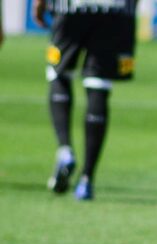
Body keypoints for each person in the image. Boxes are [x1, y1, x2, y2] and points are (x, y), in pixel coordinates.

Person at [33, 0, 138, 201]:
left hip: (72, 7)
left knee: (59, 73)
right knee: (99, 84)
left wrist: (40, 3)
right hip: (116, 10)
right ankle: (86, 179)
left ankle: (65, 150)